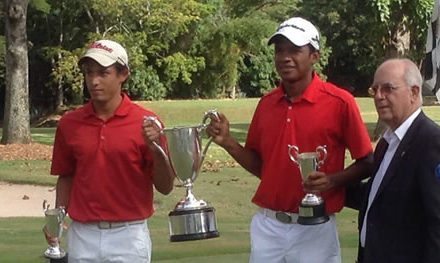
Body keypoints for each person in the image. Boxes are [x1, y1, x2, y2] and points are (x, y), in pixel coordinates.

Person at [206, 17, 373, 263]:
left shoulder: (340, 102)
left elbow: (367, 161)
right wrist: (229, 142)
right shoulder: (266, 104)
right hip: (268, 226)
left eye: (295, 50)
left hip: (315, 227)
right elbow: (264, 167)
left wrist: (331, 181)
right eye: (279, 50)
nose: (285, 57)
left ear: (314, 56)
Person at [47, 39, 175, 262]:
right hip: (82, 234)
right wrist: (56, 219)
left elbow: (165, 186)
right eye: (89, 73)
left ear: (123, 74)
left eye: (103, 73)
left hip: (129, 235)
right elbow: (66, 175)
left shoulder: (147, 122)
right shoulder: (70, 123)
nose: (94, 81)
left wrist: (155, 148)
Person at [352, 58, 440, 263]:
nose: (379, 96)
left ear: (414, 92)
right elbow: (380, 198)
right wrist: (331, 183)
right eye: (375, 89)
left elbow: (437, 223)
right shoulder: (387, 142)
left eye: (388, 88)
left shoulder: (431, 143)